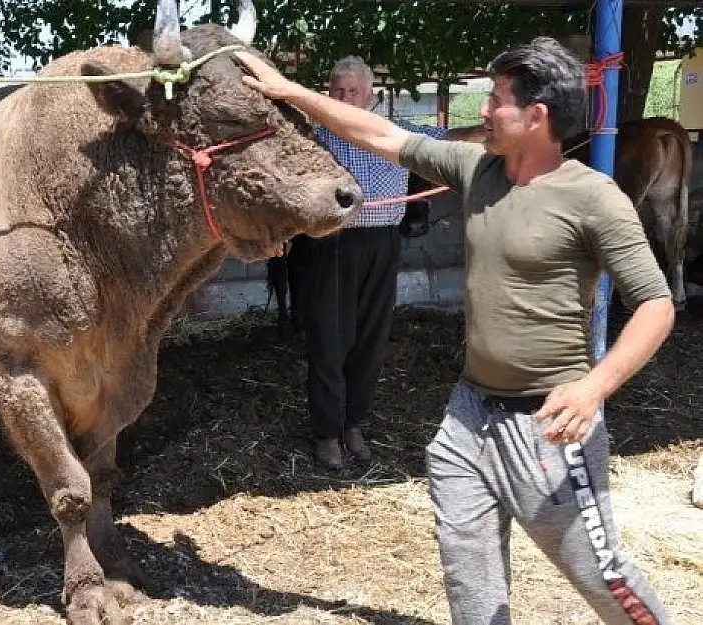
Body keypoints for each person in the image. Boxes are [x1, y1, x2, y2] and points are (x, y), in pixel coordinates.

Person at [235, 38, 673, 624]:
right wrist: (290, 91)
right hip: (468, 419)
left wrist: (594, 387)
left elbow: (656, 304)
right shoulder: (479, 171)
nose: (483, 114)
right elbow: (382, 136)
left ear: (536, 116)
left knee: (602, 575)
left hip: (548, 425)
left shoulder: (593, 198)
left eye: (495, 101)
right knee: (469, 577)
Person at [294, 55, 478, 470]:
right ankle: (327, 433)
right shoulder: (315, 138)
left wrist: (490, 132)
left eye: (351, 92)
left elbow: (446, 138)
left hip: (382, 243)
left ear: (369, 95)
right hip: (331, 242)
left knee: (371, 338)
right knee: (329, 338)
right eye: (336, 92)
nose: (342, 98)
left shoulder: (397, 132)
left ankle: (354, 424)